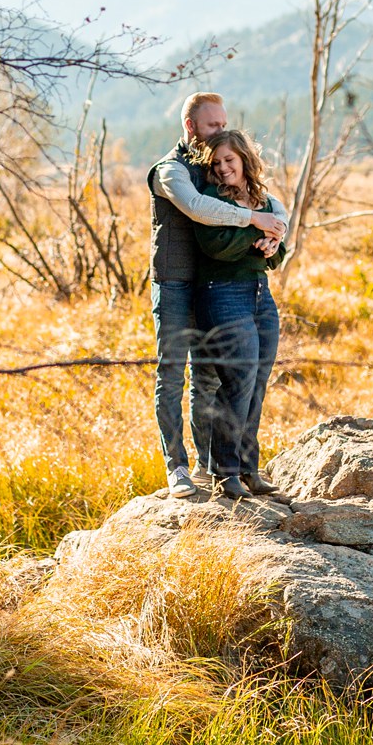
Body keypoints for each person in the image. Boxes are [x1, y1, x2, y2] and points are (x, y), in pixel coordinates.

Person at [149, 93, 286, 500]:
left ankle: (217, 469)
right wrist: (256, 222)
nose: (220, 131)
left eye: (224, 123)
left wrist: (277, 233)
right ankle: (177, 467)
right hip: (176, 283)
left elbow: (273, 205)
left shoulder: (216, 165)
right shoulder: (170, 171)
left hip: (220, 287)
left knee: (210, 380)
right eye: (212, 125)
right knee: (173, 375)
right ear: (191, 126)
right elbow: (196, 208)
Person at [190, 127, 291, 502]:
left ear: (245, 160)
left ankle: (249, 469)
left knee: (258, 381)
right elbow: (215, 247)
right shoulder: (209, 198)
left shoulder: (262, 199)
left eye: (229, 160)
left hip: (260, 295)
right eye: (216, 164)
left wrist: (271, 246)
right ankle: (224, 473)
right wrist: (253, 235)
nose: (223, 168)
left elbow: (278, 255)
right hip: (222, 294)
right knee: (237, 381)